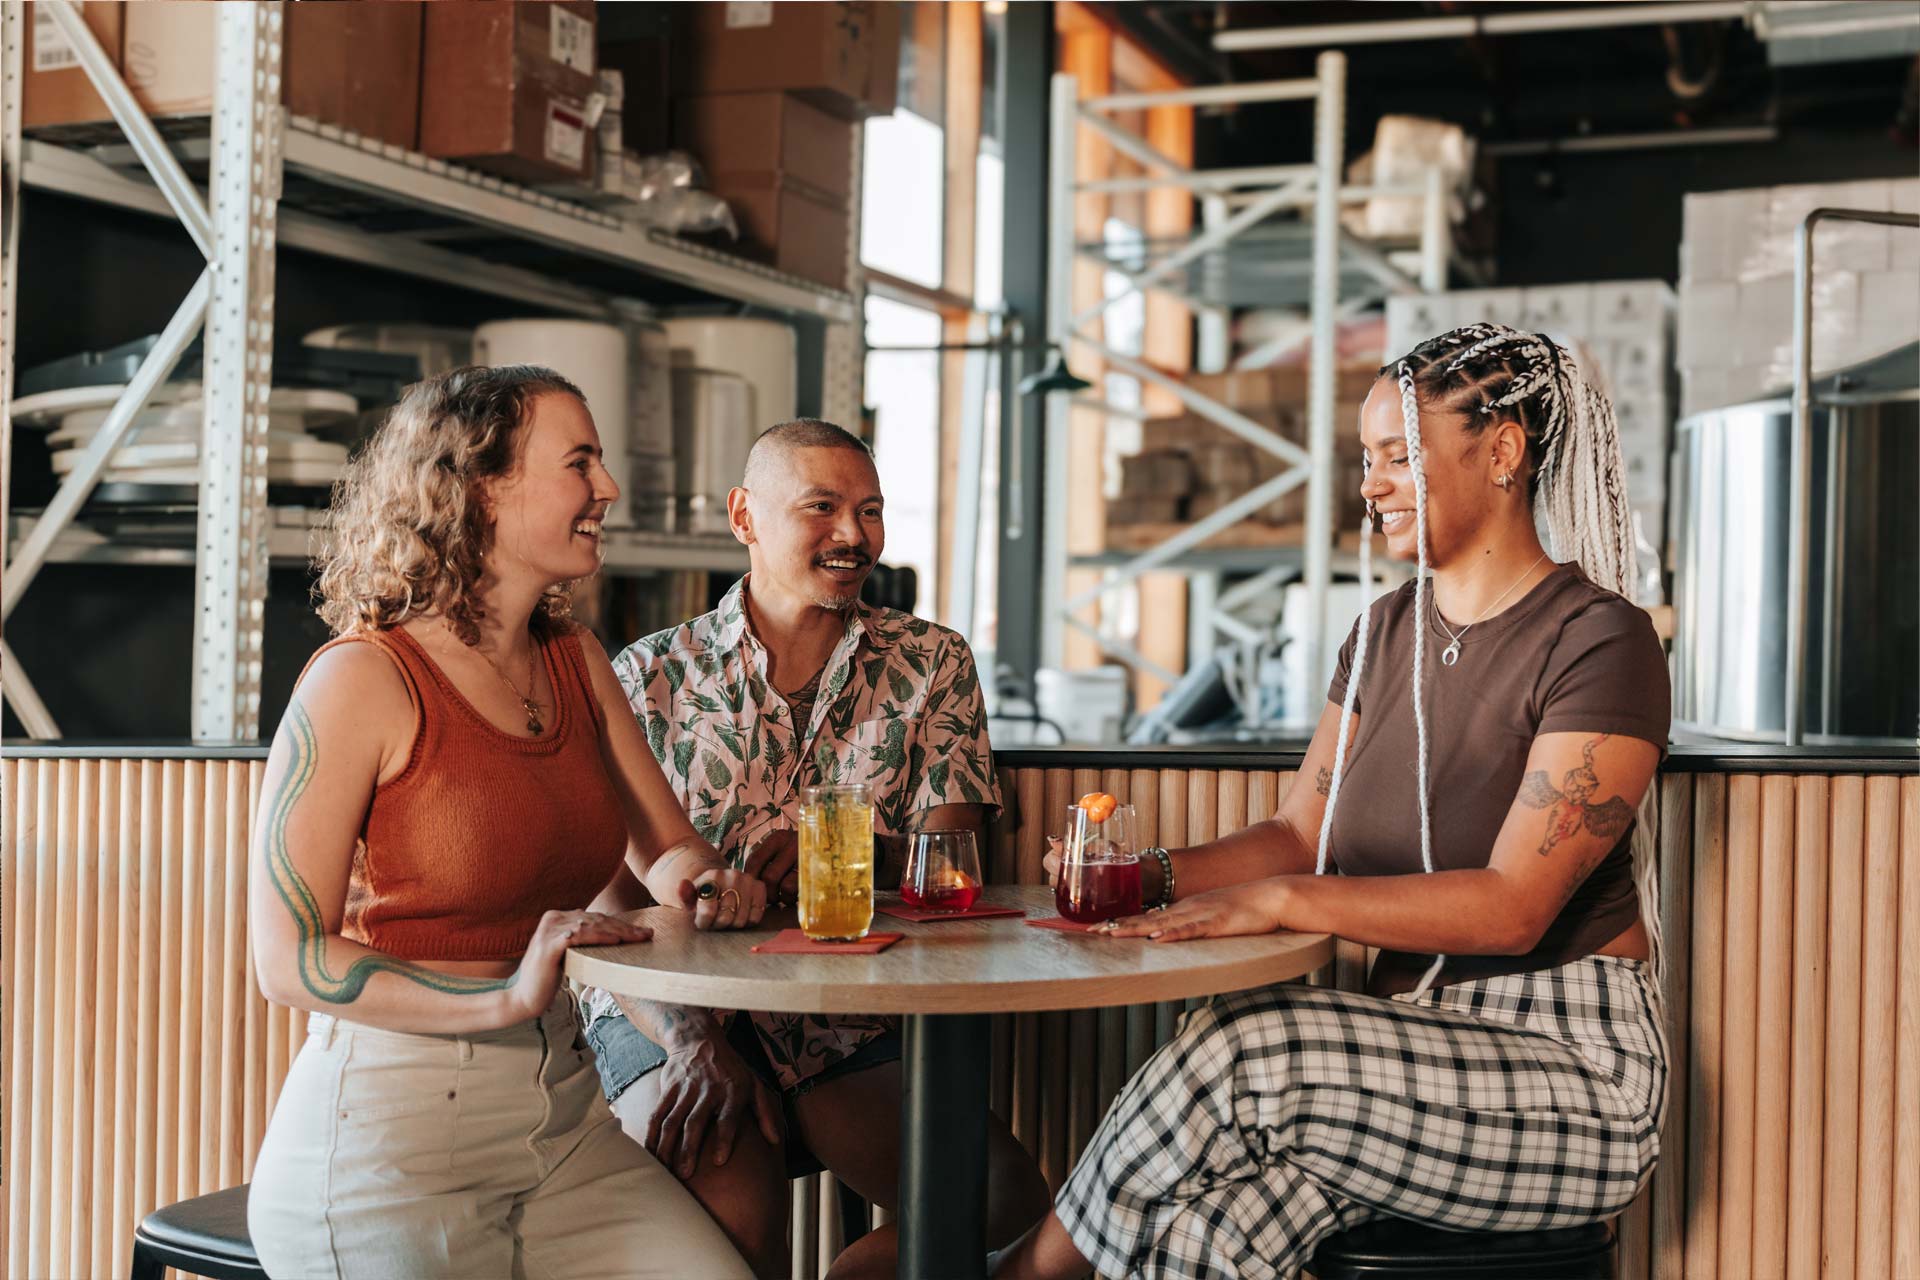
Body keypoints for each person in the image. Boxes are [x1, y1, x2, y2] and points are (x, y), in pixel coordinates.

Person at [994, 324, 1671, 1280]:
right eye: (1368, 459)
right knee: (1201, 1239)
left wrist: (1278, 904)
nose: (1372, 483)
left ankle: (1020, 1275)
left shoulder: (1600, 639)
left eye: (1400, 454)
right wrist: (1140, 878)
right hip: (1405, 1062)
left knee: (1238, 1043)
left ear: (1504, 452)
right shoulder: (1385, 631)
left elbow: (1513, 908)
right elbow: (1299, 836)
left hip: (1568, 1076)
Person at [246, 365, 765, 1279]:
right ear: (482, 486)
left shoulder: (572, 657)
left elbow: (666, 847)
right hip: (391, 1142)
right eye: (580, 462)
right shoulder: (362, 678)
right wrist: (504, 995)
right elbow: (287, 958)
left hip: (562, 1121)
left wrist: (710, 883)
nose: (607, 489)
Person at [583, 419, 1051, 1279]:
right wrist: (691, 1041)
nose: (853, 535)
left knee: (1003, 1202)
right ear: (745, 518)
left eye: (869, 510)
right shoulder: (648, 675)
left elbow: (952, 867)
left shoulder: (930, 662)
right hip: (675, 1007)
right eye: (822, 508)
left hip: (845, 1007)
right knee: (731, 1232)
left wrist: (853, 859)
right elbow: (604, 893)